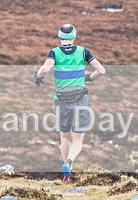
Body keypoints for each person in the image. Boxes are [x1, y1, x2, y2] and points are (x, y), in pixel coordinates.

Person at [34, 23, 105, 182]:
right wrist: (89, 78)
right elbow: (101, 70)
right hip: (80, 99)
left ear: (60, 37)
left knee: (64, 137)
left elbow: (45, 69)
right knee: (77, 140)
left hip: (61, 100)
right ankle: (69, 162)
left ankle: (66, 174)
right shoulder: (82, 51)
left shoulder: (54, 52)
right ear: (74, 37)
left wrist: (38, 77)